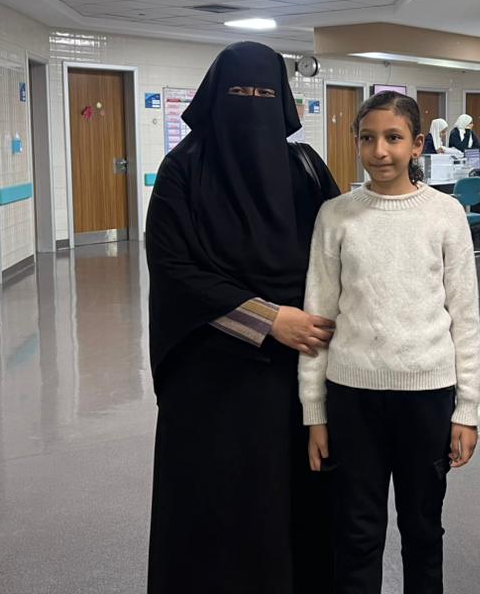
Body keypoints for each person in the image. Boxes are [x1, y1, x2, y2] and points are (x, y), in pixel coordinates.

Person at [145, 41, 340, 593]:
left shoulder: (305, 168)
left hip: (296, 377)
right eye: (238, 92)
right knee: (218, 510)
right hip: (211, 380)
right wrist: (270, 320)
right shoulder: (183, 170)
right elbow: (175, 270)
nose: (251, 103)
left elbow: (339, 251)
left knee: (295, 507)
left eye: (263, 93)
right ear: (215, 96)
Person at [299, 91, 480, 594]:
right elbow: (318, 319)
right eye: (367, 138)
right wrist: (315, 412)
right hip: (352, 398)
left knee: (423, 531)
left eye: (393, 138)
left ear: (417, 144)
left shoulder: (445, 215)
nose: (379, 151)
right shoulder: (335, 216)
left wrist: (467, 410)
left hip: (427, 396)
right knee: (356, 534)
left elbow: (465, 319)